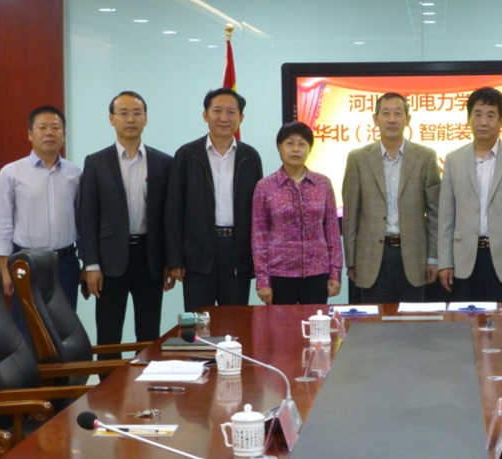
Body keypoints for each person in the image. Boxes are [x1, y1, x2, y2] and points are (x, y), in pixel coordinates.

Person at [79, 91, 174, 359]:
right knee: (109, 334)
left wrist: (170, 260)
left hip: (150, 258)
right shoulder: (96, 162)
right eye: (123, 113)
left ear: (146, 119)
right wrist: (91, 265)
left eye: (136, 113)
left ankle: (147, 383)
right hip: (109, 261)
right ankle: (109, 386)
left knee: (148, 333)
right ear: (112, 119)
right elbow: (87, 217)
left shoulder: (163, 162)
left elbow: (168, 217)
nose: (130, 119)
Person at [165, 88, 263, 312]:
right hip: (198, 253)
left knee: (235, 322)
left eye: (231, 112)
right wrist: (175, 259)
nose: (223, 118)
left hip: (238, 253)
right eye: (217, 111)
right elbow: (173, 210)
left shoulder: (250, 157)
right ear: (205, 115)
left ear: (241, 118)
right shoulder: (187, 155)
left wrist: (257, 259)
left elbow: (258, 212)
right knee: (199, 322)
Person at [437, 86, 502, 301]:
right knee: (465, 320)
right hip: (463, 260)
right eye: (478, 114)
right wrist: (444, 262)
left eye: (491, 115)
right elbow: (446, 216)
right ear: (468, 119)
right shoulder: (454, 159)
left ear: (501, 121)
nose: (483, 122)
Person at [342, 92, 441, 302]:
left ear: (408, 119)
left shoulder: (425, 157)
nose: (392, 119)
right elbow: (350, 215)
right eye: (386, 113)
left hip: (414, 256)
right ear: (375, 119)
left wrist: (433, 258)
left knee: (412, 319)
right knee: (375, 320)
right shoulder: (358, 159)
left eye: (398, 113)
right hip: (371, 257)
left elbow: (435, 213)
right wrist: (351, 260)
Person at [0, 105, 81, 338]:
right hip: (25, 262)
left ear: (64, 134)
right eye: (42, 127)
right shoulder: (11, 173)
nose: (49, 132)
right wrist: (4, 269)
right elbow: (2, 224)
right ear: (30, 134)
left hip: (65, 262)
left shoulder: (75, 174)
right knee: (27, 329)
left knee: (65, 331)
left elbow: (82, 221)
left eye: (55, 128)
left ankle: (61, 366)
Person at [252, 122, 343, 305]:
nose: (296, 149)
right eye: (289, 143)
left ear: (309, 148)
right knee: (281, 323)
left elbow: (332, 230)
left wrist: (335, 272)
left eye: (302, 144)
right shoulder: (265, 186)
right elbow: (259, 236)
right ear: (280, 147)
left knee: (315, 322)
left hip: (318, 272)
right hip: (279, 273)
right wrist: (262, 279)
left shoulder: (323, 184)